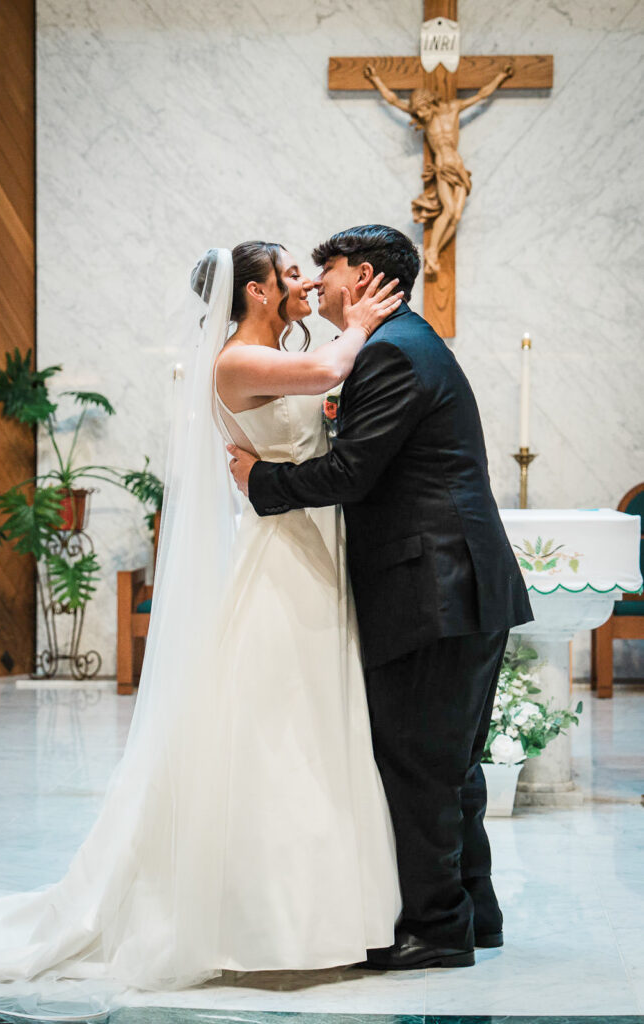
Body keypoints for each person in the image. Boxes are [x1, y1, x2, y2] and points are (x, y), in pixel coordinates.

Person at [0, 243, 403, 1015]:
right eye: (289, 273)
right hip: (283, 557)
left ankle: (331, 919)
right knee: (278, 728)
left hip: (315, 547)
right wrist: (360, 320)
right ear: (256, 291)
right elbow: (328, 370)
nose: (304, 281)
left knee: (316, 724)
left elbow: (319, 399)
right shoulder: (235, 360)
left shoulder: (270, 352)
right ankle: (260, 926)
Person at [228, 223, 534, 971]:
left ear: (360, 276)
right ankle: (475, 911)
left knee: (418, 763)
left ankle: (437, 930)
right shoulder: (400, 342)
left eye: (327, 269)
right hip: (453, 585)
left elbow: (350, 475)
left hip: (433, 586)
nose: (317, 283)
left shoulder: (392, 350)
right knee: (451, 763)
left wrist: (260, 482)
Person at [363, 64, 514, 274]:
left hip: (458, 166)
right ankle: (432, 251)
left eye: (422, 110)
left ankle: (433, 252)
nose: (420, 115)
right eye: (417, 112)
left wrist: (500, 76)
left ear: (430, 103)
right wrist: (376, 79)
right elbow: (394, 100)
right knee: (448, 210)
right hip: (442, 168)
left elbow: (481, 95)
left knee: (456, 216)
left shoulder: (453, 109)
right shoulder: (426, 120)